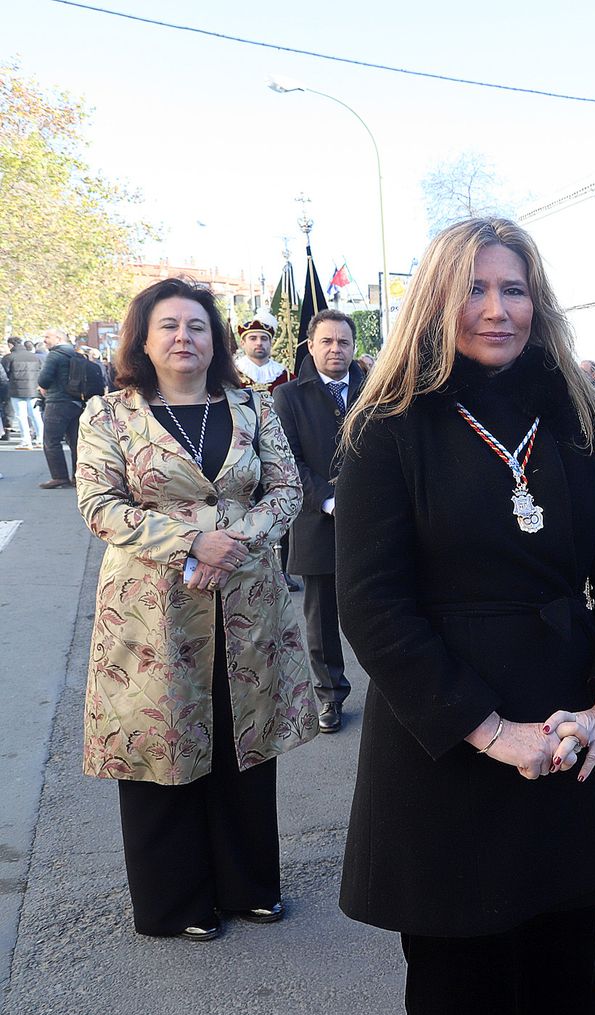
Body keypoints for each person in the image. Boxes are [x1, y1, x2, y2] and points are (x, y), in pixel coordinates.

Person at [334, 217, 595, 1015]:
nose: (496, 308)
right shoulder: (388, 429)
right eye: (474, 288)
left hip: (566, 738)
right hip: (447, 748)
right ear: (437, 301)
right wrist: (489, 732)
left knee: (562, 986)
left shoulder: (581, 420)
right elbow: (373, 607)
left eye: (513, 288)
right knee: (461, 1002)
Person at [75, 276, 318, 940]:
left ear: (216, 338)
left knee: (241, 735)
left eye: (197, 325)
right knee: (163, 742)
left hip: (245, 599)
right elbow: (100, 505)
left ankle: (248, 884)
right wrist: (190, 540)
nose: (184, 336)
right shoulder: (108, 414)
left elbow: (286, 488)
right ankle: (174, 901)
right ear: (144, 340)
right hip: (152, 609)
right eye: (169, 326)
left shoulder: (253, 407)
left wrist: (230, 545)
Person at [272, 309, 367, 735]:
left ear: (353, 347)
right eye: (326, 341)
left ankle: (395, 695)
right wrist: (329, 500)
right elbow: (288, 460)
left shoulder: (376, 390)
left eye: (343, 342)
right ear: (311, 346)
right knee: (322, 620)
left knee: (383, 610)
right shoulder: (290, 396)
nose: (335, 349)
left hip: (374, 523)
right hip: (318, 521)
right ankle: (330, 696)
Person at [36, 328, 86, 488]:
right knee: (75, 442)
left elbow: (44, 379)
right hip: (77, 402)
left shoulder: (55, 355)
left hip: (57, 402)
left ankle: (59, 476)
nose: (44, 339)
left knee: (51, 441)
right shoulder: (76, 354)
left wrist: (42, 387)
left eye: (47, 336)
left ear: (58, 339)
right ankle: (78, 477)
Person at [233, 311, 292, 395]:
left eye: (264, 338)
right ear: (242, 343)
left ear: (271, 342)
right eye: (253, 338)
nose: (259, 343)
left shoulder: (286, 377)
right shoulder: (231, 374)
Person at [6, 336, 43, 448]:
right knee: (35, 415)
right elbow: (40, 371)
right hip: (33, 388)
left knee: (21, 415)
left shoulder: (9, 357)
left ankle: (26, 440)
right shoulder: (34, 357)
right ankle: (41, 439)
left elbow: (6, 373)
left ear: (11, 345)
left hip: (16, 389)